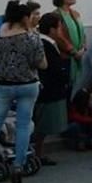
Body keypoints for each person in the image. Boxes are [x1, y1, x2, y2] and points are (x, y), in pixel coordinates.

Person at [0, 0, 47, 183]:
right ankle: (18, 167)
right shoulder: (32, 38)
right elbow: (42, 63)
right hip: (28, 84)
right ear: (25, 18)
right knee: (23, 126)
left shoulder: (0, 37)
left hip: (4, 85)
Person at [33, 12, 70, 166]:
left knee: (43, 126)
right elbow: (50, 69)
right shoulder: (44, 44)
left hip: (50, 90)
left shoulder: (47, 43)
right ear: (53, 29)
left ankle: (39, 153)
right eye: (60, 28)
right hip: (47, 91)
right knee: (41, 125)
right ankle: (36, 154)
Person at [53, 0, 86, 90]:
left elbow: (82, 33)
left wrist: (83, 47)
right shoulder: (56, 15)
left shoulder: (76, 14)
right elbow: (58, 36)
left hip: (79, 55)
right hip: (66, 57)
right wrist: (73, 51)